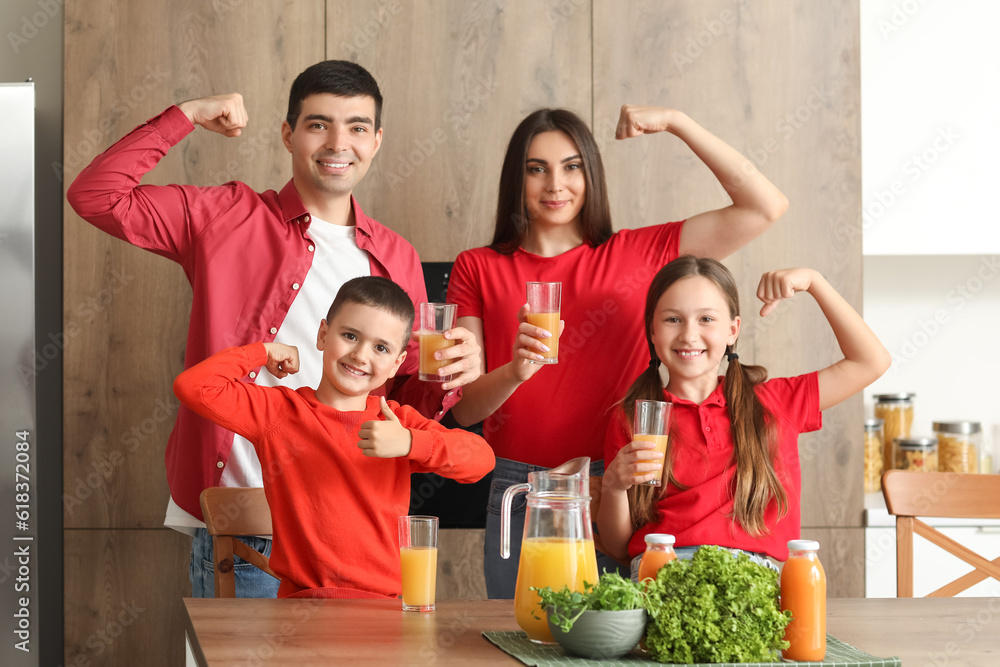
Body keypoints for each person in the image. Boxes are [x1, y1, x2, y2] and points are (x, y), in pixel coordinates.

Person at [66, 60, 483, 598]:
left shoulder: (397, 256)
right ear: (288, 134)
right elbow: (95, 196)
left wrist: (452, 376)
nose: (339, 142)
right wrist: (186, 115)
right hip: (241, 523)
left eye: (357, 127)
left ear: (376, 141)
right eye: (318, 124)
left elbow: (403, 408)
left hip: (348, 542)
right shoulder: (225, 216)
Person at [446, 105, 789, 598]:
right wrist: (517, 372)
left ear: (591, 173)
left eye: (572, 166)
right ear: (515, 180)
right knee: (519, 642)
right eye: (536, 168)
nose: (554, 185)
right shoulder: (477, 267)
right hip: (522, 489)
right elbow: (464, 407)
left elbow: (764, 206)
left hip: (622, 486)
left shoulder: (641, 252)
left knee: (621, 645)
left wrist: (677, 122)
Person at [174, 276, 495, 598]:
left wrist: (411, 443)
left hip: (384, 612)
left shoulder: (395, 422)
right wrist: (262, 351)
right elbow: (194, 387)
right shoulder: (279, 412)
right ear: (323, 335)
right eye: (350, 335)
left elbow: (481, 459)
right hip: (303, 610)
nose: (360, 355)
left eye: (380, 347)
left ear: (397, 363)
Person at [597, 256, 891, 577]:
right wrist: (613, 486)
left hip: (753, 573)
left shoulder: (775, 403)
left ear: (732, 331)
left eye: (706, 319)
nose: (689, 335)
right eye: (673, 320)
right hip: (663, 569)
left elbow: (871, 361)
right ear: (652, 330)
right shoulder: (632, 418)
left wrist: (814, 282)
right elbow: (617, 546)